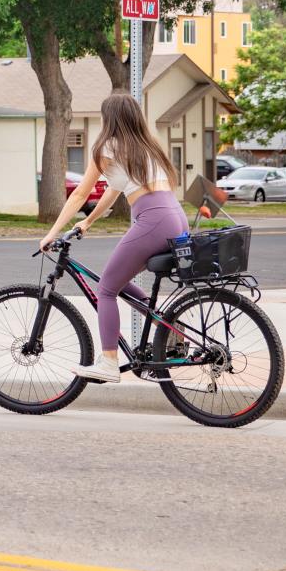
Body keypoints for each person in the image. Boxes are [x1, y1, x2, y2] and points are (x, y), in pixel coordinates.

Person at [39, 93, 185, 382]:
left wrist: (52, 233)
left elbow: (81, 193)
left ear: (111, 120)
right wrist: (88, 222)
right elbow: (114, 189)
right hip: (175, 218)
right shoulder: (147, 146)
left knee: (105, 289)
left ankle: (108, 362)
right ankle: (171, 328)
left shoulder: (107, 147)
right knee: (117, 281)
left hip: (153, 219)